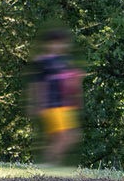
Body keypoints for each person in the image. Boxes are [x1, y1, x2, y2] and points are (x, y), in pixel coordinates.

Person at [30, 27, 84, 165]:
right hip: (51, 105)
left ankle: (52, 167)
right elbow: (38, 84)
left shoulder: (64, 62)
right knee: (63, 138)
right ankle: (47, 165)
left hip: (65, 106)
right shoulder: (43, 62)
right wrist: (38, 104)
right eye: (55, 43)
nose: (59, 46)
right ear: (48, 44)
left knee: (68, 137)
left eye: (62, 43)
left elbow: (72, 84)